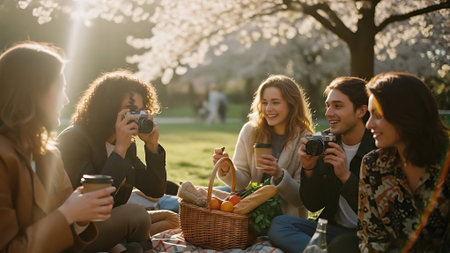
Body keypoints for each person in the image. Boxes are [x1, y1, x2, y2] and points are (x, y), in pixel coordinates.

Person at [0, 41, 115, 253]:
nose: (66, 99)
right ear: (32, 93)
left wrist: (81, 218)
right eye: (60, 88)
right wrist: (68, 213)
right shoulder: (4, 158)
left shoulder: (49, 152)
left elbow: (66, 239)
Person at [57, 70, 179, 252]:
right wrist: (119, 150)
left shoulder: (126, 143)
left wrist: (152, 147)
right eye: (131, 111)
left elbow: (155, 189)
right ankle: (128, 246)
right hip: (79, 229)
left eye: (140, 111)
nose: (136, 118)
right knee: (137, 214)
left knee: (171, 219)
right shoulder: (74, 139)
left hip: (111, 218)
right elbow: (90, 200)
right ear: (108, 108)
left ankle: (123, 246)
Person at [268, 76, 376, 253]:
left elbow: (376, 212)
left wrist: (345, 177)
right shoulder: (325, 142)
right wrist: (309, 169)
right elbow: (314, 205)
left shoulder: (376, 147)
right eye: (328, 105)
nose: (328, 113)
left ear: (361, 111)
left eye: (338, 106)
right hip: (333, 230)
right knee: (280, 224)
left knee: (343, 246)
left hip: (368, 235)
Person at [358, 72, 449, 252]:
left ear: (406, 115)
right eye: (369, 114)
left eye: (378, 115)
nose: (368, 124)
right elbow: (371, 237)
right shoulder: (372, 164)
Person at [213, 74, 313, 218]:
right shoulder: (251, 131)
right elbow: (241, 183)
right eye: (264, 102)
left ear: (292, 105)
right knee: (204, 197)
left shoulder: (304, 140)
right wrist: (227, 169)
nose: (268, 109)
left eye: (275, 102)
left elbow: (299, 199)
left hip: (282, 216)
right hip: (248, 205)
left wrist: (279, 174)